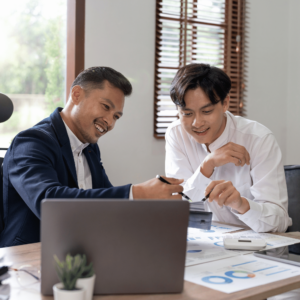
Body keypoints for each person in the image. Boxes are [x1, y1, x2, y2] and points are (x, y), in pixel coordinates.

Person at [1, 66, 184, 247]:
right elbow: (49, 203)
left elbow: (105, 202)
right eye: (105, 107)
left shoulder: (90, 148)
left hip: (78, 254)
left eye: (116, 116)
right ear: (77, 95)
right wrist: (137, 193)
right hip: (28, 258)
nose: (109, 122)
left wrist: (151, 207)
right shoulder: (31, 142)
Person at [165, 63, 292, 233]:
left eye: (207, 111)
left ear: (225, 104)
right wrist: (206, 167)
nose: (197, 123)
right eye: (187, 114)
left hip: (257, 249)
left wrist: (241, 204)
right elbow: (178, 205)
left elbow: (280, 222)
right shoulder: (177, 134)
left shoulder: (258, 139)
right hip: (208, 245)